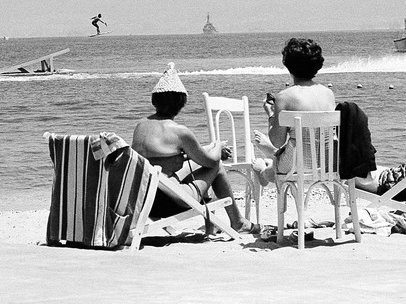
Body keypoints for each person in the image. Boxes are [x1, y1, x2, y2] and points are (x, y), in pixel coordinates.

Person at [131, 63, 249, 235]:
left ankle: (214, 225)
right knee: (216, 167)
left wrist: (207, 150)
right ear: (181, 103)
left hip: (144, 199)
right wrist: (218, 146)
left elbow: (163, 159)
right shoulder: (179, 132)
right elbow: (211, 161)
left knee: (202, 163)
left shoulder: (140, 126)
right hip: (171, 201)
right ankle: (237, 222)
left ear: (154, 100)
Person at [250, 37, 338, 192]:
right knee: (284, 156)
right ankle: (270, 162)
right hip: (326, 162)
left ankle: (264, 173)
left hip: (295, 164)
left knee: (279, 161)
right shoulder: (328, 93)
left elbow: (277, 140)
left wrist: (271, 115)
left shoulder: (284, 97)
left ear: (288, 66)